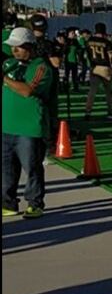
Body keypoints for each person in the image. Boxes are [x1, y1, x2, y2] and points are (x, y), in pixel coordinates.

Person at [3, 27, 54, 219]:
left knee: (32, 168)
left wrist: (5, 80)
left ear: (30, 46)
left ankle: (35, 203)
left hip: (29, 128)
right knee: (6, 169)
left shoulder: (41, 67)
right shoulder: (9, 64)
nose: (14, 50)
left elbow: (27, 90)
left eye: (19, 47)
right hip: (6, 125)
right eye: (13, 47)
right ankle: (8, 202)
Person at [29, 15, 62, 144]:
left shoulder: (27, 43)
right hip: (48, 80)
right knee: (48, 109)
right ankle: (48, 136)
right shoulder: (48, 44)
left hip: (30, 79)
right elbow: (56, 62)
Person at [84, 22, 112, 130]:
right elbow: (110, 56)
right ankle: (110, 112)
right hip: (105, 67)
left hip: (94, 67)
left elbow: (86, 55)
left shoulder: (89, 41)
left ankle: (88, 112)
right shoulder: (106, 42)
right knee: (108, 92)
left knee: (92, 91)